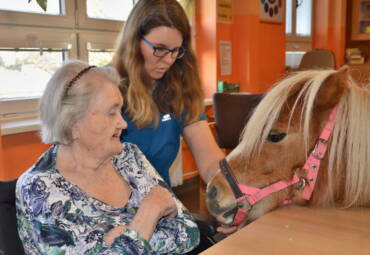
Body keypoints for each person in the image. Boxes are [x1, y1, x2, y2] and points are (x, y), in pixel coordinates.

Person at [15, 60, 200, 254]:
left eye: (120, 111)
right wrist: (148, 215)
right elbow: (163, 221)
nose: (123, 123)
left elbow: (189, 232)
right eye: (112, 113)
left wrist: (126, 240)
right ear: (72, 123)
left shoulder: (129, 156)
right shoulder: (40, 188)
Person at [111, 0, 240, 235]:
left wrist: (237, 199)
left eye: (175, 51)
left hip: (162, 215)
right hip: (112, 217)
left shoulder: (178, 92)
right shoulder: (107, 90)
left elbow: (211, 162)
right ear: (134, 42)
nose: (169, 60)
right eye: (159, 48)